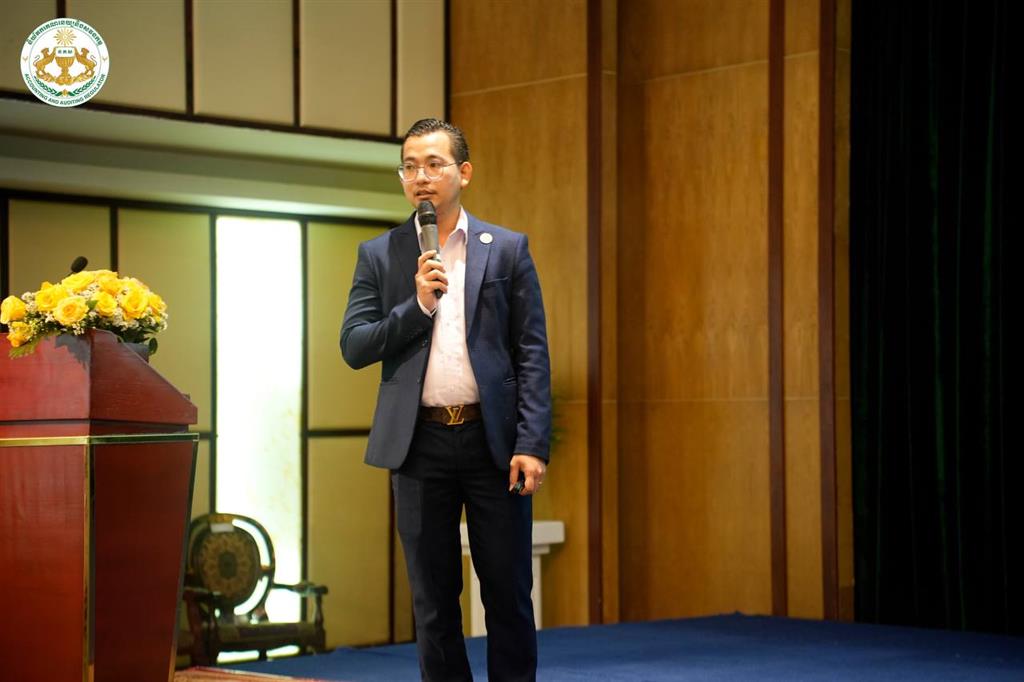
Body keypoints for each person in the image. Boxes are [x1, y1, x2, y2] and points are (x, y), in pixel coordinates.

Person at [340, 118, 551, 682]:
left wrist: (532, 443)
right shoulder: (379, 254)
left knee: (508, 593)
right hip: (419, 446)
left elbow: (531, 351)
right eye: (410, 167)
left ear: (464, 172)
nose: (421, 177)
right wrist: (416, 306)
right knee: (433, 602)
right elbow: (354, 346)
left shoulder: (506, 250)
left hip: (492, 444)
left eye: (434, 164)